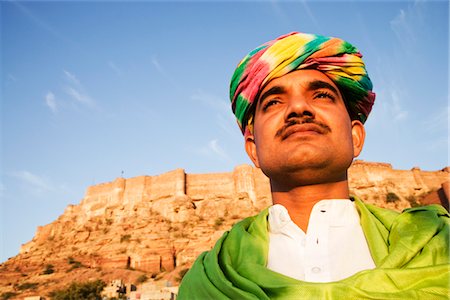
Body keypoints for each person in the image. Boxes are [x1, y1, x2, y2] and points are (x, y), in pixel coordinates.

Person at [178, 32, 449, 299]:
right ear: (253, 150)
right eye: (273, 102)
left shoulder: (437, 243)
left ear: (356, 137)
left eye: (321, 96)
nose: (298, 108)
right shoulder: (211, 280)